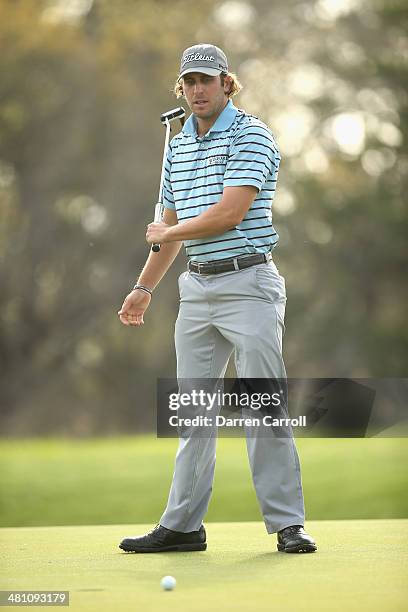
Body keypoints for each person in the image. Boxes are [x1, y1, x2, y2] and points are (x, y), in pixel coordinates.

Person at [117, 44, 317, 554]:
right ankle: (183, 526)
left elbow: (228, 214)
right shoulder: (176, 146)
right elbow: (171, 238)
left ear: (227, 83)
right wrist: (143, 289)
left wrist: (169, 227)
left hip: (248, 284)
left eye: (207, 80)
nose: (198, 90)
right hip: (197, 288)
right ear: (179, 88)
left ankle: (288, 524)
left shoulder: (252, 135)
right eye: (190, 82)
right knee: (194, 412)